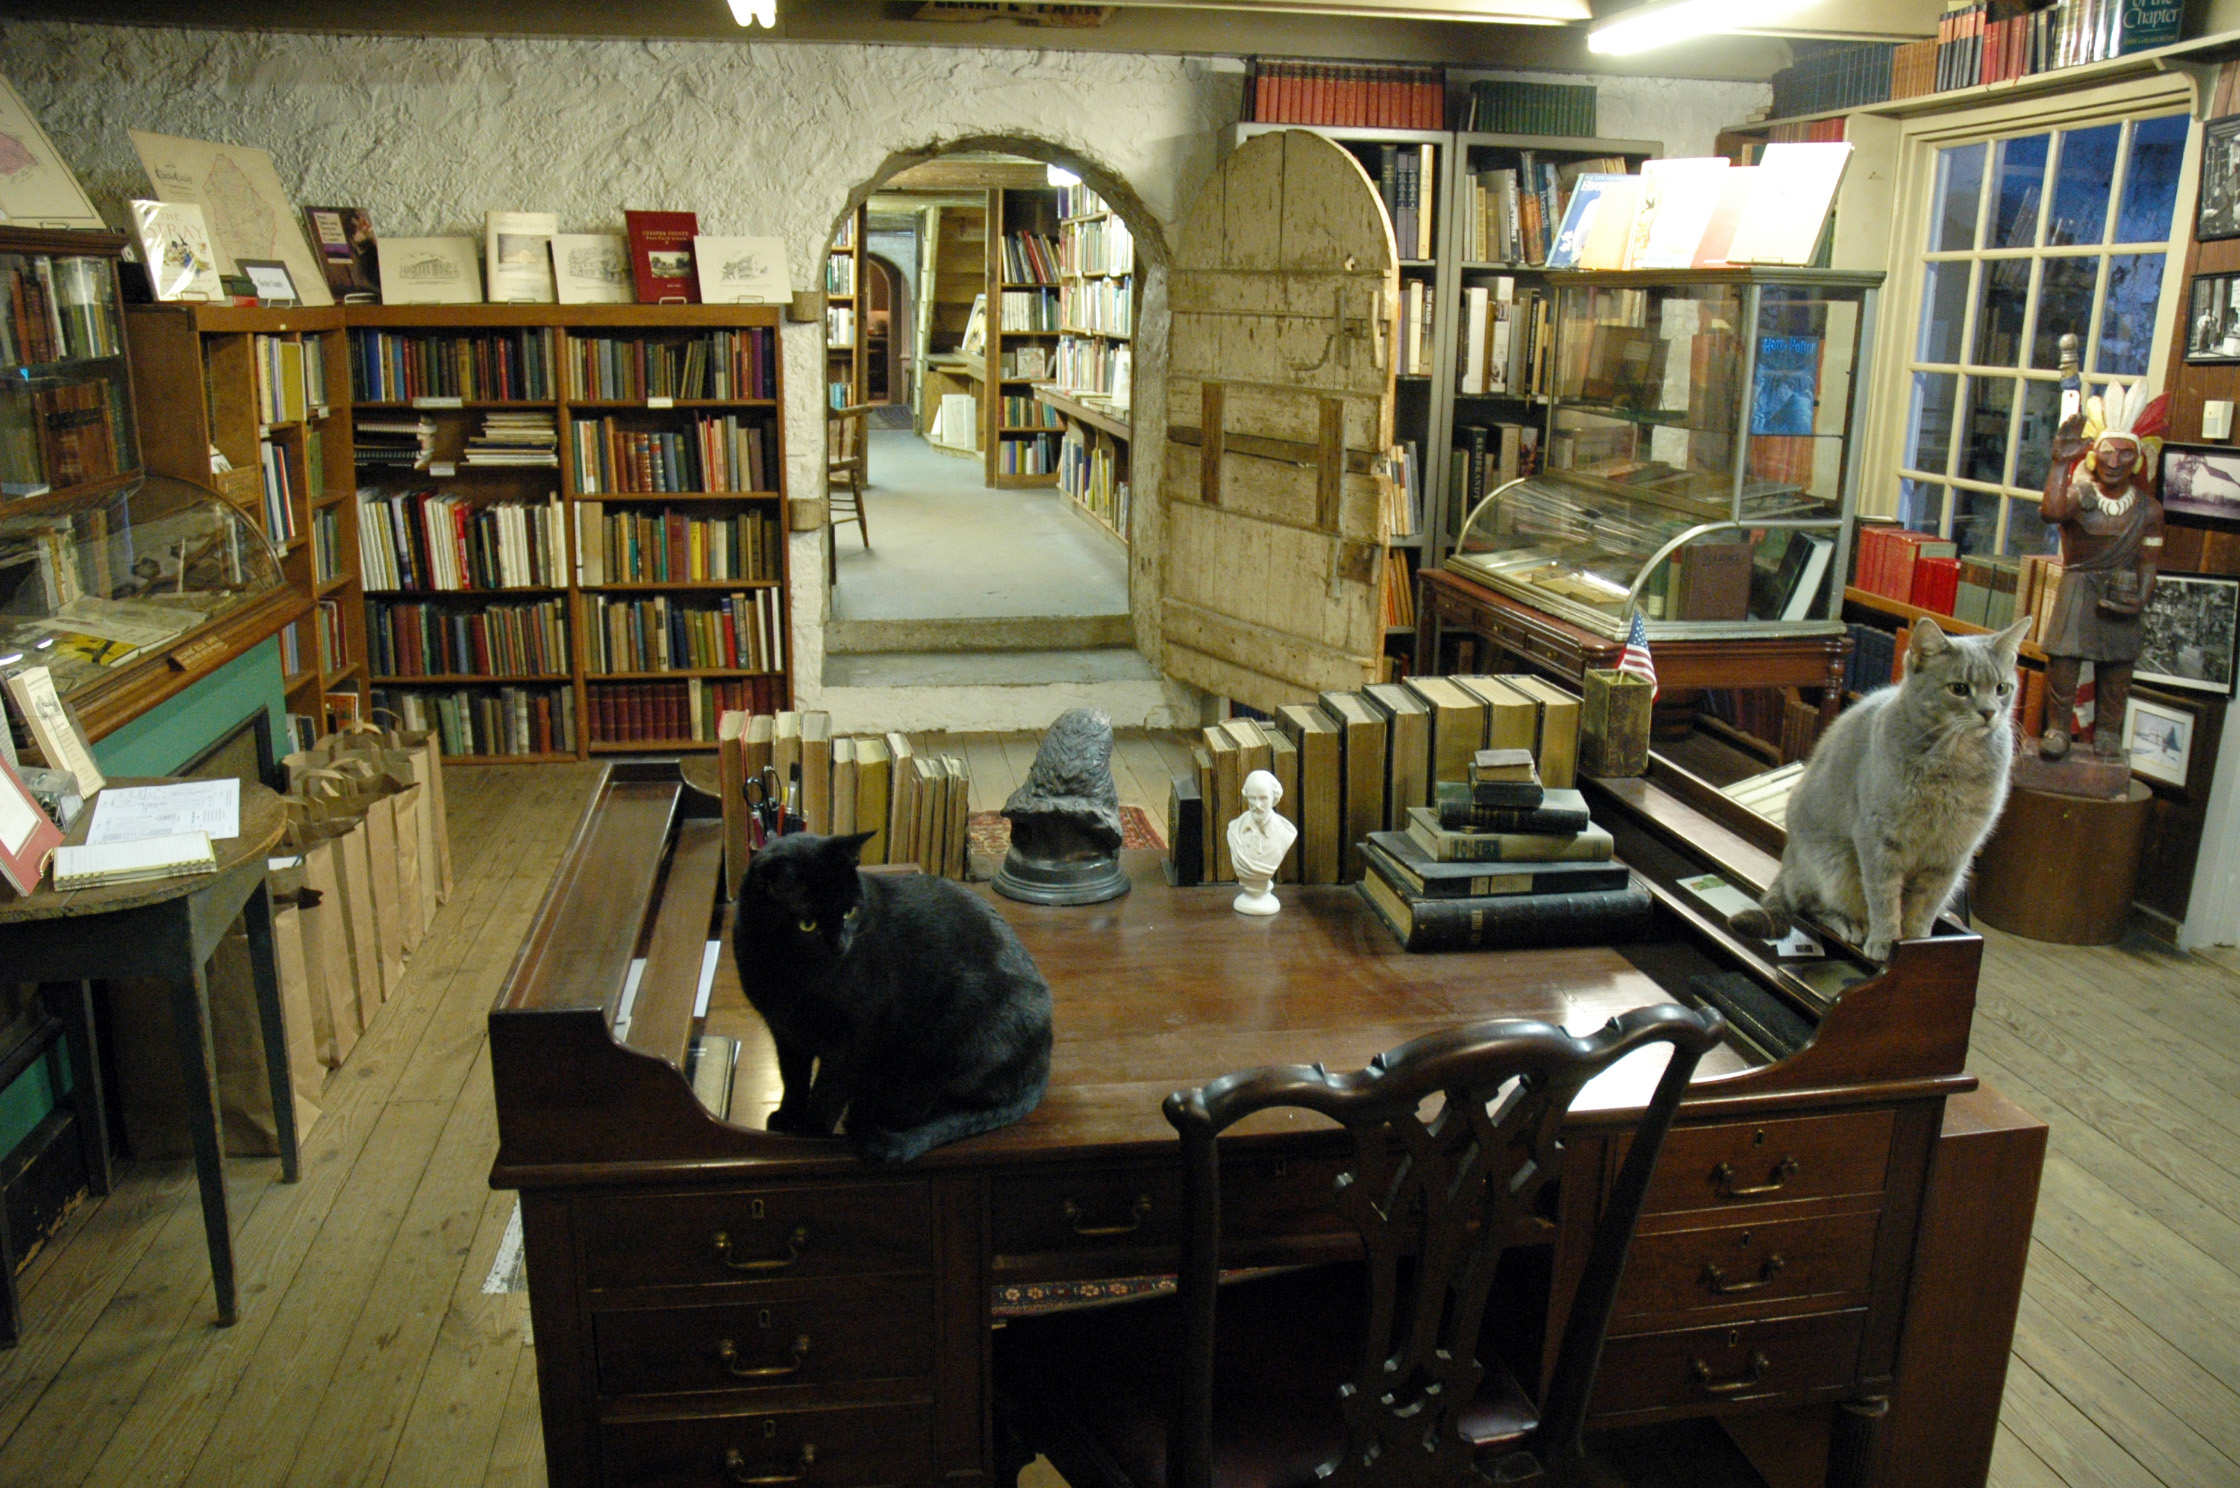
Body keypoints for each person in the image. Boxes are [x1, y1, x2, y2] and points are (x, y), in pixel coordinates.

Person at [2038, 379, 2168, 761]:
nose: (2114, 462)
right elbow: (2051, 511)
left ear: (2138, 459)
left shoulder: (2148, 510)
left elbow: (2148, 559)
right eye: (2107, 453)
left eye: (2125, 454)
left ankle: (2108, 730)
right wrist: (2060, 463)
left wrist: (2141, 596)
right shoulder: (2081, 496)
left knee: (2117, 666)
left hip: (2120, 590)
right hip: (2078, 586)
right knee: (2064, 660)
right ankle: (2058, 728)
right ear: (2094, 456)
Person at [1226, 768, 1297, 916]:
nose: (1257, 805)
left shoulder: (1286, 833)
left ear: (1274, 799)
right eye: (1252, 798)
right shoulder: (1234, 830)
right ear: (1246, 797)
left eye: (1263, 798)